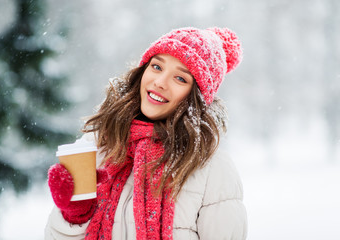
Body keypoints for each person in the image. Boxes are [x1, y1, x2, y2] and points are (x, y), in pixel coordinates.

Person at [45, 27, 247, 240]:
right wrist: (73, 215)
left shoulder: (212, 168)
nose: (160, 82)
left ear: (196, 96)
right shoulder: (100, 144)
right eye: (157, 66)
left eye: (180, 78)